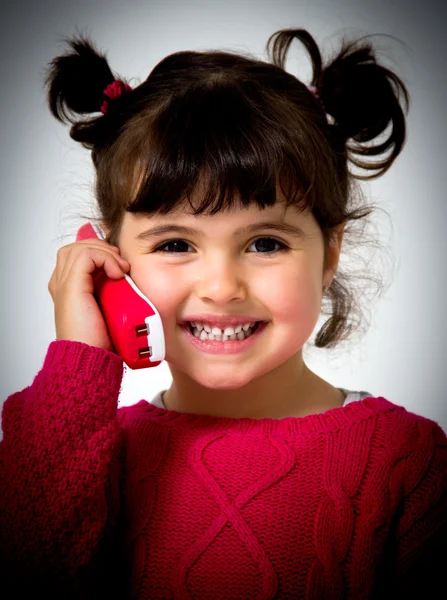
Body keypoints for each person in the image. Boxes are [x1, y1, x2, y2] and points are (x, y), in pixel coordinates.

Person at [0, 27, 445, 599]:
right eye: (175, 244)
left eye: (265, 243)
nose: (221, 287)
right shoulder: (78, 454)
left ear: (330, 254)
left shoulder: (409, 461)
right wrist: (78, 365)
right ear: (111, 258)